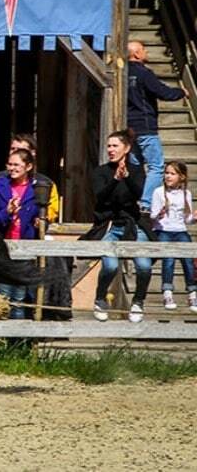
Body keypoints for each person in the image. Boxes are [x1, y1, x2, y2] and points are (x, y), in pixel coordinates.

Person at [85, 130, 154, 323]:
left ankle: (138, 302)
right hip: (110, 225)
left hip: (132, 224)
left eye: (115, 145)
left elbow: (138, 193)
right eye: (109, 146)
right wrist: (115, 179)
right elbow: (100, 197)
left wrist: (127, 177)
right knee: (110, 266)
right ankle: (100, 298)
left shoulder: (137, 170)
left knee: (144, 266)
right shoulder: (100, 172)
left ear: (127, 148)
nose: (111, 149)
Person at [127, 40, 189, 212]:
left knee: (135, 165)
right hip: (145, 126)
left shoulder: (122, 72)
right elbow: (163, 92)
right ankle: (145, 202)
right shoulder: (143, 73)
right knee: (156, 166)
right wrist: (182, 92)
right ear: (137, 54)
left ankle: (134, 199)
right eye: (144, 50)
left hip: (129, 128)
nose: (147, 52)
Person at [0, 149, 42, 319]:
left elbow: (42, 215)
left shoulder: (37, 189)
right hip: (3, 246)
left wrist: (41, 222)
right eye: (9, 164)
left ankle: (18, 341)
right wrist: (7, 212)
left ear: (28, 166)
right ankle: (1, 338)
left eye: (16, 164)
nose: (12, 168)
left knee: (20, 297)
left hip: (25, 247)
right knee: (3, 295)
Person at [0, 134, 59, 223]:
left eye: (20, 150)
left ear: (33, 153)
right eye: (12, 149)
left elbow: (51, 214)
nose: (15, 152)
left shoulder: (46, 184)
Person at [150, 161, 197, 312]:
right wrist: (160, 213)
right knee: (168, 259)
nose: (168, 176)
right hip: (164, 231)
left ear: (181, 177)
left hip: (180, 230)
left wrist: (194, 217)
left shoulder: (186, 194)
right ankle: (168, 292)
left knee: (188, 260)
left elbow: (186, 219)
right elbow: (152, 216)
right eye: (167, 173)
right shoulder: (159, 192)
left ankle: (192, 292)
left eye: (172, 173)